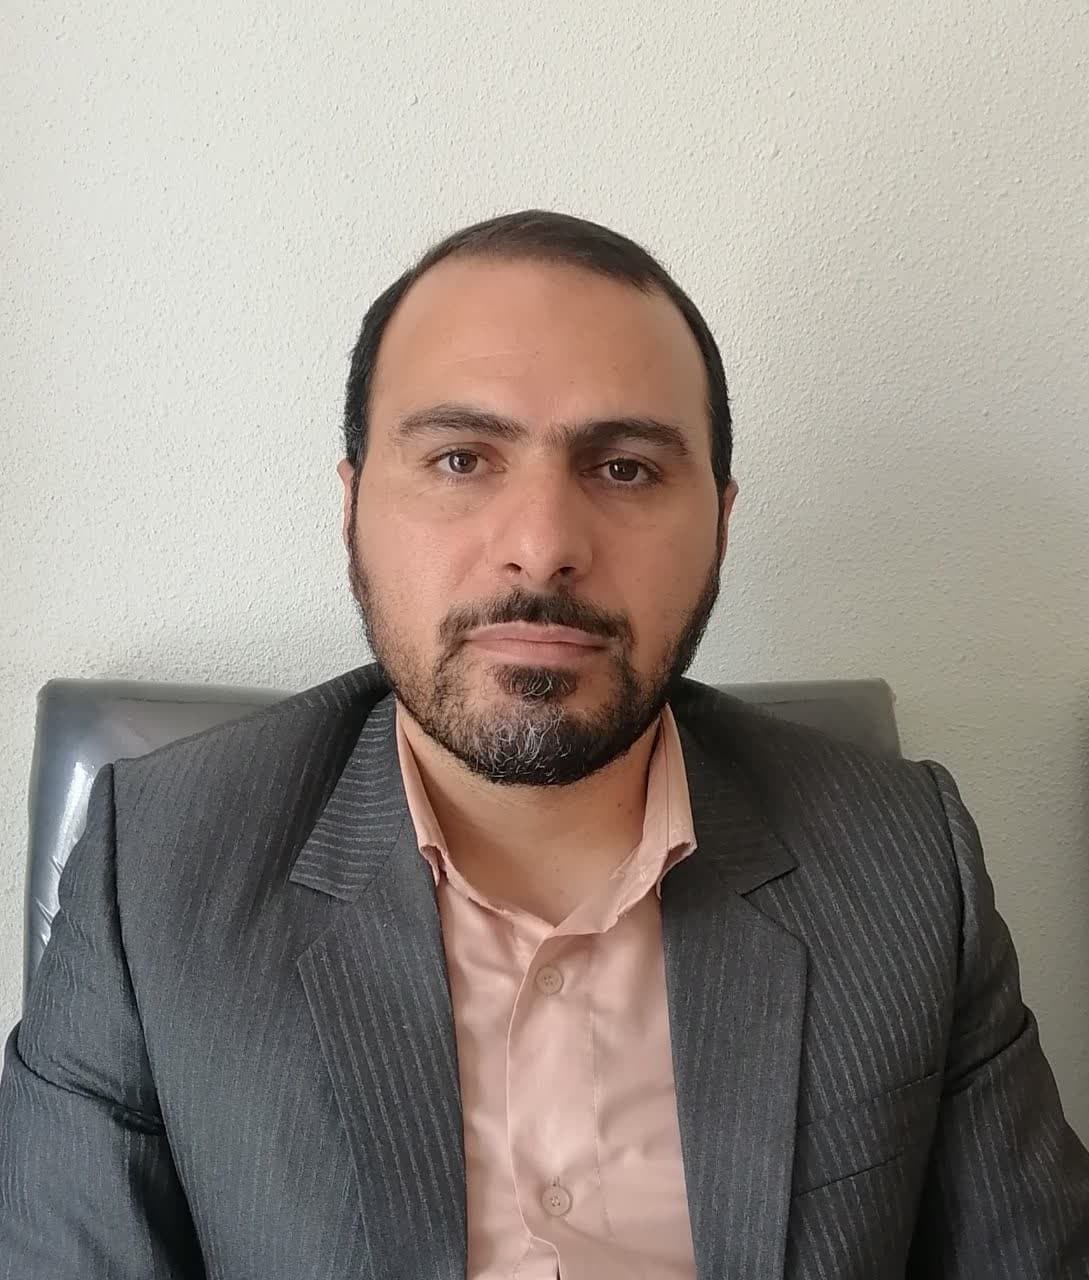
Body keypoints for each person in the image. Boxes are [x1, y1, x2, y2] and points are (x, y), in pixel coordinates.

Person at [2, 209, 1087, 1280]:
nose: (542, 545)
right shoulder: (159, 868)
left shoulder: (904, 859)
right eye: (460, 458)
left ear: (720, 524)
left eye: (625, 469)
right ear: (353, 508)